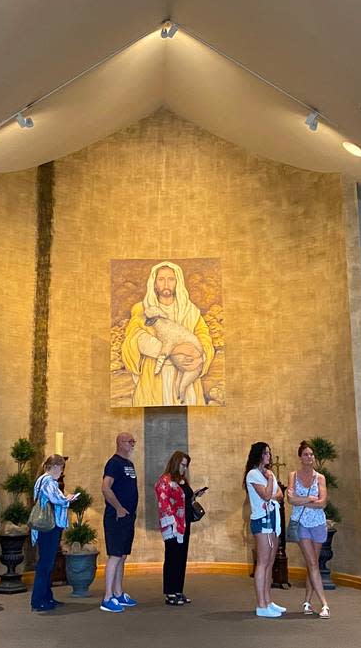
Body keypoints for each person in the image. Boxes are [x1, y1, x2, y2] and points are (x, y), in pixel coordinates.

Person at [121, 261, 215, 406]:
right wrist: (175, 350)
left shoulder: (190, 311)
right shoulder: (142, 309)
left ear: (177, 282)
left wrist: (200, 358)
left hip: (187, 373)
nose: (166, 284)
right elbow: (135, 338)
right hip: (154, 376)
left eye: (171, 279)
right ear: (154, 283)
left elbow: (204, 339)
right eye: (161, 279)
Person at [288, 441, 330, 619]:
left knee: (312, 564)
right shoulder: (293, 475)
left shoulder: (320, 477)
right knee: (313, 563)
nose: (309, 457)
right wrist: (311, 498)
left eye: (311, 454)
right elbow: (290, 500)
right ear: (300, 457)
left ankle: (307, 601)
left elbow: (323, 502)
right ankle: (325, 604)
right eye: (306, 454)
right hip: (301, 523)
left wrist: (302, 499)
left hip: (318, 523)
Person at [30, 454, 76, 612]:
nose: (62, 472)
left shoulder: (41, 479)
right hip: (49, 526)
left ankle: (47, 596)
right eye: (61, 468)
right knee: (45, 564)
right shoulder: (49, 481)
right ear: (55, 467)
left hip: (46, 526)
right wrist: (68, 498)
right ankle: (38, 600)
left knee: (47, 563)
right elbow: (57, 499)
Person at [155, 450, 201, 606]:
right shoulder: (165, 480)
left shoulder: (183, 481)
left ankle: (178, 590)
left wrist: (194, 496)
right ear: (175, 463)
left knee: (181, 558)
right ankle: (169, 592)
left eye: (186, 466)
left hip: (185, 522)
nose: (185, 469)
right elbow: (164, 502)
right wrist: (171, 522)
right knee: (172, 558)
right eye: (183, 465)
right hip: (172, 525)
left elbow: (184, 498)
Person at [100, 432, 139, 613]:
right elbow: (105, 487)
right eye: (129, 441)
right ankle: (107, 597)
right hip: (117, 517)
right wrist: (118, 507)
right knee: (115, 555)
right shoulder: (114, 463)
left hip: (129, 517)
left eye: (133, 441)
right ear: (119, 443)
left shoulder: (129, 464)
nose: (132, 444)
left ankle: (118, 593)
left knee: (122, 555)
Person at [245, 441, 284, 618]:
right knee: (262, 561)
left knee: (270, 562)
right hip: (261, 521)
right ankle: (261, 604)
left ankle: (268, 600)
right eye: (266, 453)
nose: (269, 455)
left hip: (273, 520)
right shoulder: (253, 474)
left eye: (269, 452)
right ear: (259, 455)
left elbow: (280, 496)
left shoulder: (269, 474)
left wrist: (271, 488)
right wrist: (269, 482)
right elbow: (267, 495)